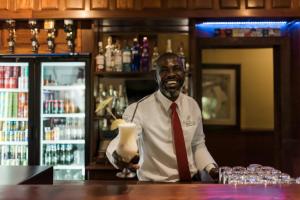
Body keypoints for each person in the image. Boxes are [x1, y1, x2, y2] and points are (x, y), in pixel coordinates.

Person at [106, 52, 218, 182]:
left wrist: (211, 168)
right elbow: (123, 140)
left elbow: (197, 145)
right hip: (153, 187)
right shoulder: (139, 109)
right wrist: (116, 156)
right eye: (164, 70)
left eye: (176, 69)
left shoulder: (193, 105)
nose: (171, 74)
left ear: (184, 73)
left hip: (190, 184)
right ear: (156, 77)